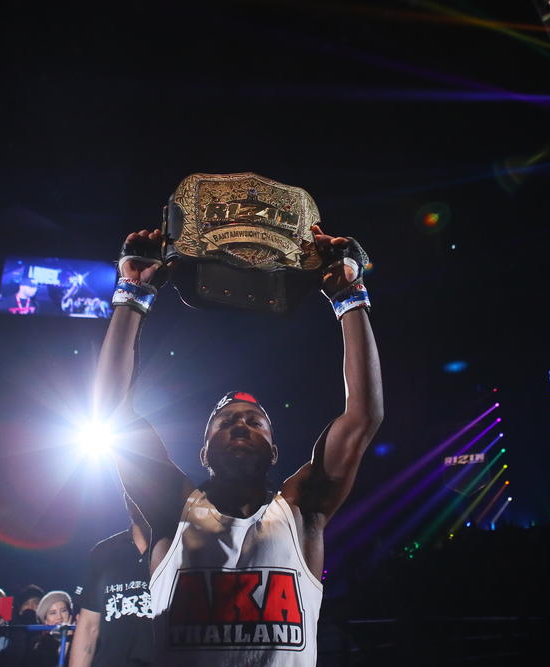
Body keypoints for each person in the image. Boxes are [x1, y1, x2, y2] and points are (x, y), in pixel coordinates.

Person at [92, 224, 383, 665]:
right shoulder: (172, 510)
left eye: (254, 422)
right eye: (225, 422)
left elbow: (363, 417)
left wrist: (349, 296)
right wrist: (133, 292)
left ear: (274, 451)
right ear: (204, 451)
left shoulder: (301, 512)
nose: (240, 426)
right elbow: (113, 412)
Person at [69, 495, 153, 666]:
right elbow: (88, 627)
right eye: (130, 490)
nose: (136, 497)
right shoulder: (103, 552)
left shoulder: (179, 548)